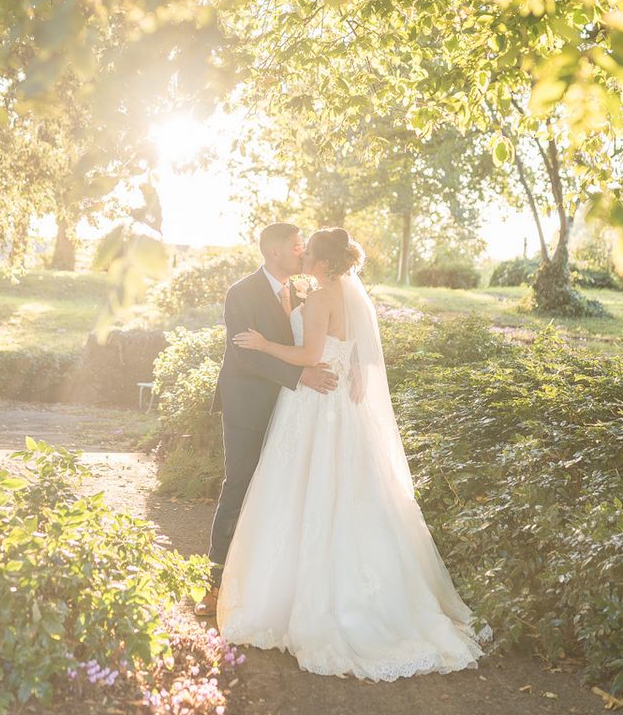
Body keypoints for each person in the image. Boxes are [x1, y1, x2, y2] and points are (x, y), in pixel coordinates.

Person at [216, 226, 492, 680]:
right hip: (337, 403)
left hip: (314, 401)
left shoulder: (322, 295)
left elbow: (310, 354)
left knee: (302, 488)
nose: (301, 254)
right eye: (296, 247)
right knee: (339, 490)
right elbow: (357, 335)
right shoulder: (342, 292)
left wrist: (266, 344)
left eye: (307, 250)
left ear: (321, 262)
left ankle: (292, 600)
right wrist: (357, 363)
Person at [195, 223, 339, 618]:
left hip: (294, 410)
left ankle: (267, 585)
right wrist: (300, 376)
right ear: (275, 252)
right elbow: (246, 356)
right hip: (249, 407)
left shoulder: (305, 291)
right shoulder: (241, 293)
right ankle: (214, 584)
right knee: (238, 486)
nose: (302, 252)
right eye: (297, 247)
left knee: (280, 496)